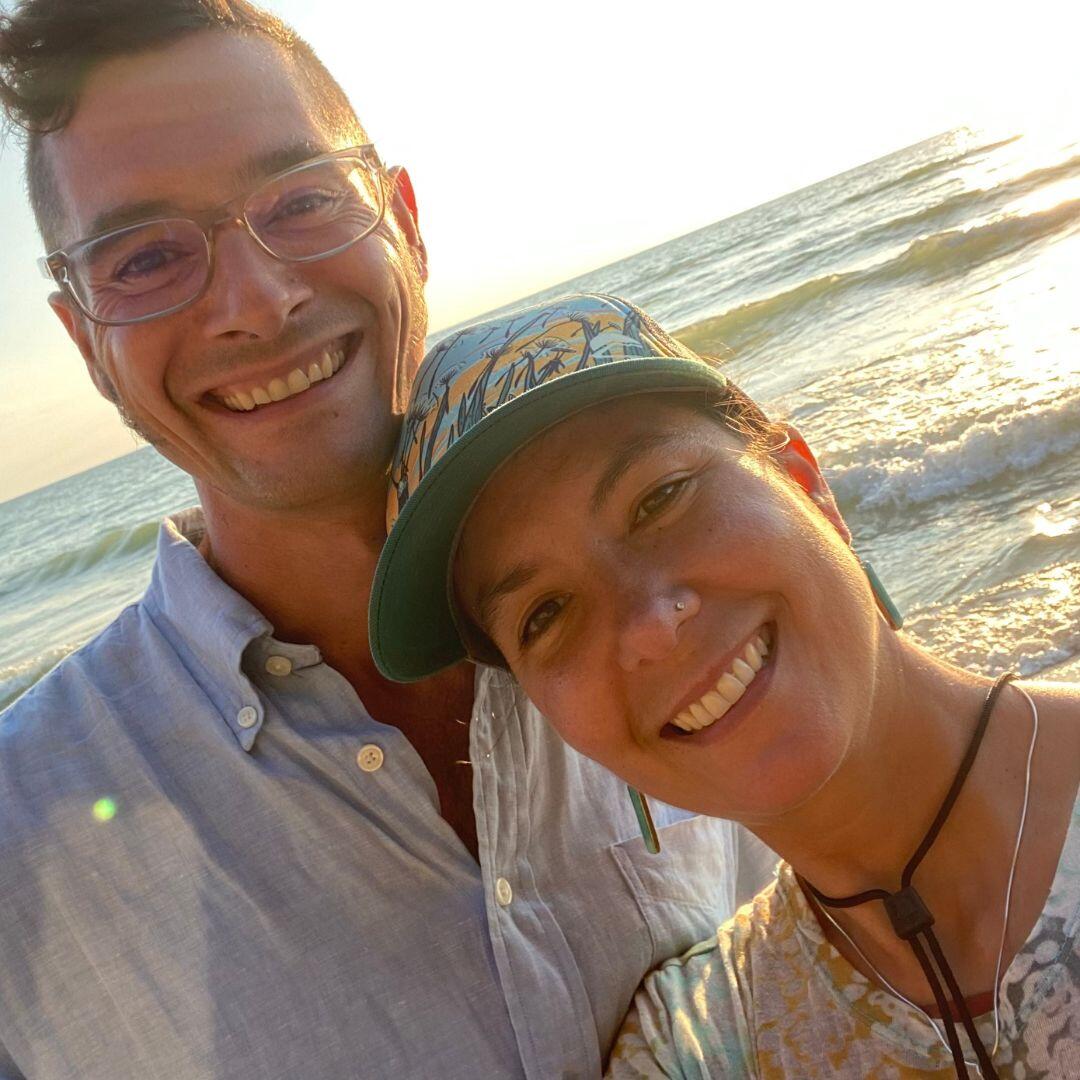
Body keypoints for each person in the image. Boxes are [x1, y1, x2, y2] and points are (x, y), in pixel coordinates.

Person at [0, 4, 774, 1077]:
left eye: (303, 201)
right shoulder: (19, 853)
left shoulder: (692, 612)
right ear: (86, 340)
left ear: (403, 221)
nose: (257, 302)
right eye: (144, 259)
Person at [370, 292, 1080, 1077]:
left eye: (660, 498)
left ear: (804, 479)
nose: (648, 627)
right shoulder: (698, 1047)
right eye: (546, 613)